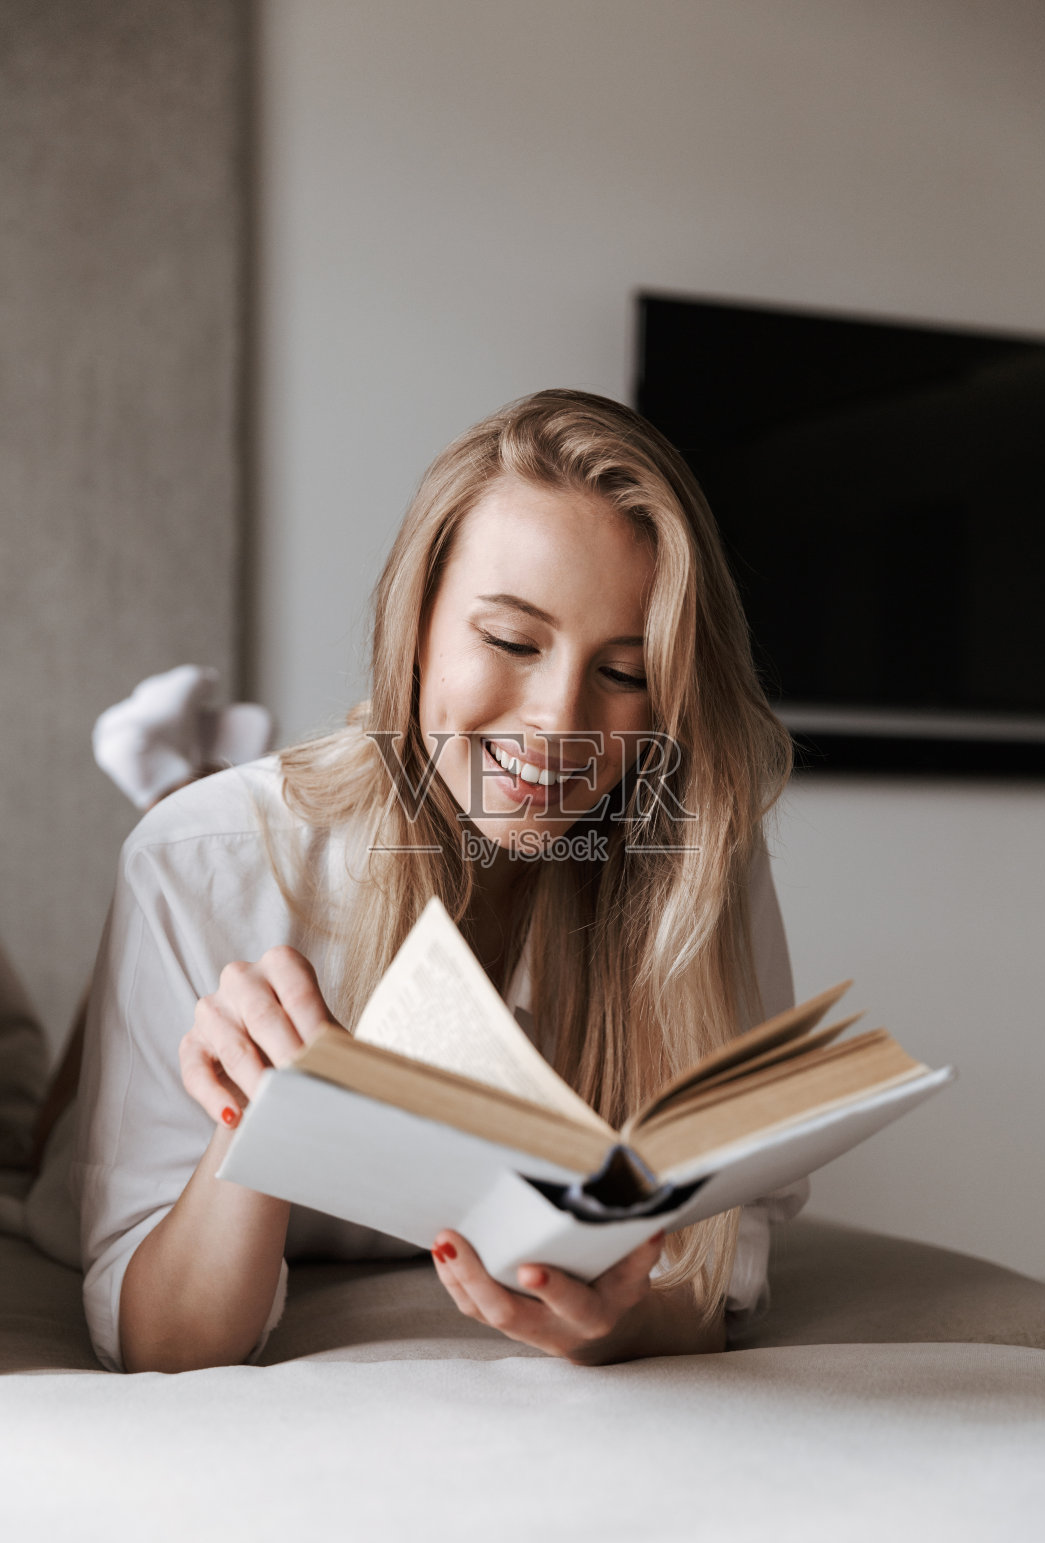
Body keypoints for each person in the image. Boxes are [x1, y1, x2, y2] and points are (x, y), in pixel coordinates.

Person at [72, 389, 803, 1374]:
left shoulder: (692, 855)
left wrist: (608, 1323)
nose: (555, 721)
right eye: (509, 642)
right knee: (144, 971)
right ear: (412, 623)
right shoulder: (195, 860)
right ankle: (185, 777)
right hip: (224, 870)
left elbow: (720, 1268)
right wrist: (266, 1121)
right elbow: (161, 1344)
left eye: (622, 672)